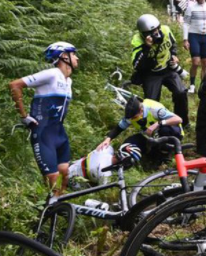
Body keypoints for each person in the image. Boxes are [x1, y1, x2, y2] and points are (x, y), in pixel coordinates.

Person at [9, 42, 78, 194]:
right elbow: (15, 85)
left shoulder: (69, 81)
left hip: (59, 132)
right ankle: (49, 209)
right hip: (43, 133)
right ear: (64, 57)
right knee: (53, 178)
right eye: (73, 55)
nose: (77, 58)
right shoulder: (52, 74)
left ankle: (59, 210)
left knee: (65, 173)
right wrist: (24, 116)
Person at [131, 14, 190, 126]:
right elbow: (137, 64)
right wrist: (147, 47)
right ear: (144, 34)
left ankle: (183, 121)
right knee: (151, 102)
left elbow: (172, 44)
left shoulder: (166, 30)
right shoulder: (138, 40)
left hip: (168, 69)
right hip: (151, 73)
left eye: (157, 29)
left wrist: (173, 54)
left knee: (181, 92)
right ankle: (154, 126)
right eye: (152, 32)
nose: (156, 33)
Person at [97, 96, 183, 163]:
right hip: (152, 138)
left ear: (141, 110)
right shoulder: (130, 116)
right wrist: (108, 139)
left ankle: (166, 153)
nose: (133, 120)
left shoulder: (154, 109)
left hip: (172, 133)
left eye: (135, 117)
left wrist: (158, 123)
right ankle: (126, 161)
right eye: (131, 118)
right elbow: (118, 128)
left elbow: (178, 119)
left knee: (163, 130)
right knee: (131, 141)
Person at [183, 0, 206, 93]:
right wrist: (185, 39)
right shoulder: (191, 7)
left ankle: (203, 86)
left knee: (205, 63)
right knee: (195, 62)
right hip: (194, 35)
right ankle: (192, 85)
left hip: (205, 36)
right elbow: (186, 23)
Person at [68, 143, 141, 188]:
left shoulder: (107, 148)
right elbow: (101, 193)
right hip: (73, 182)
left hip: (71, 167)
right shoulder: (105, 174)